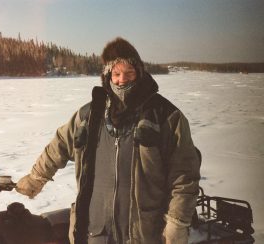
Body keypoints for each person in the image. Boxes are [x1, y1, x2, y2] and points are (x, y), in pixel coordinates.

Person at [16, 37, 201, 244]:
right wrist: (37, 177)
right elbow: (59, 145)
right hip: (94, 232)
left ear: (139, 73)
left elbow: (184, 175)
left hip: (143, 234)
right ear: (108, 76)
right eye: (117, 74)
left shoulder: (166, 116)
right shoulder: (89, 115)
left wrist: (177, 222)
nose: (123, 80)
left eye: (129, 72)